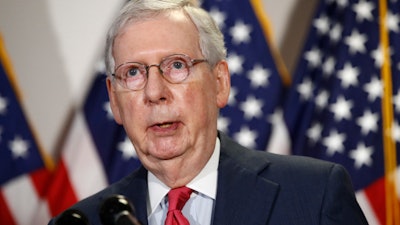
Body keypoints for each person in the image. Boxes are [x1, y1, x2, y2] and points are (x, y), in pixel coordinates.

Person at [49, 0, 368, 224]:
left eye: (176, 65)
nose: (154, 92)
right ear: (115, 101)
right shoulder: (85, 221)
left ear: (219, 83)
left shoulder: (314, 195)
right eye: (133, 72)